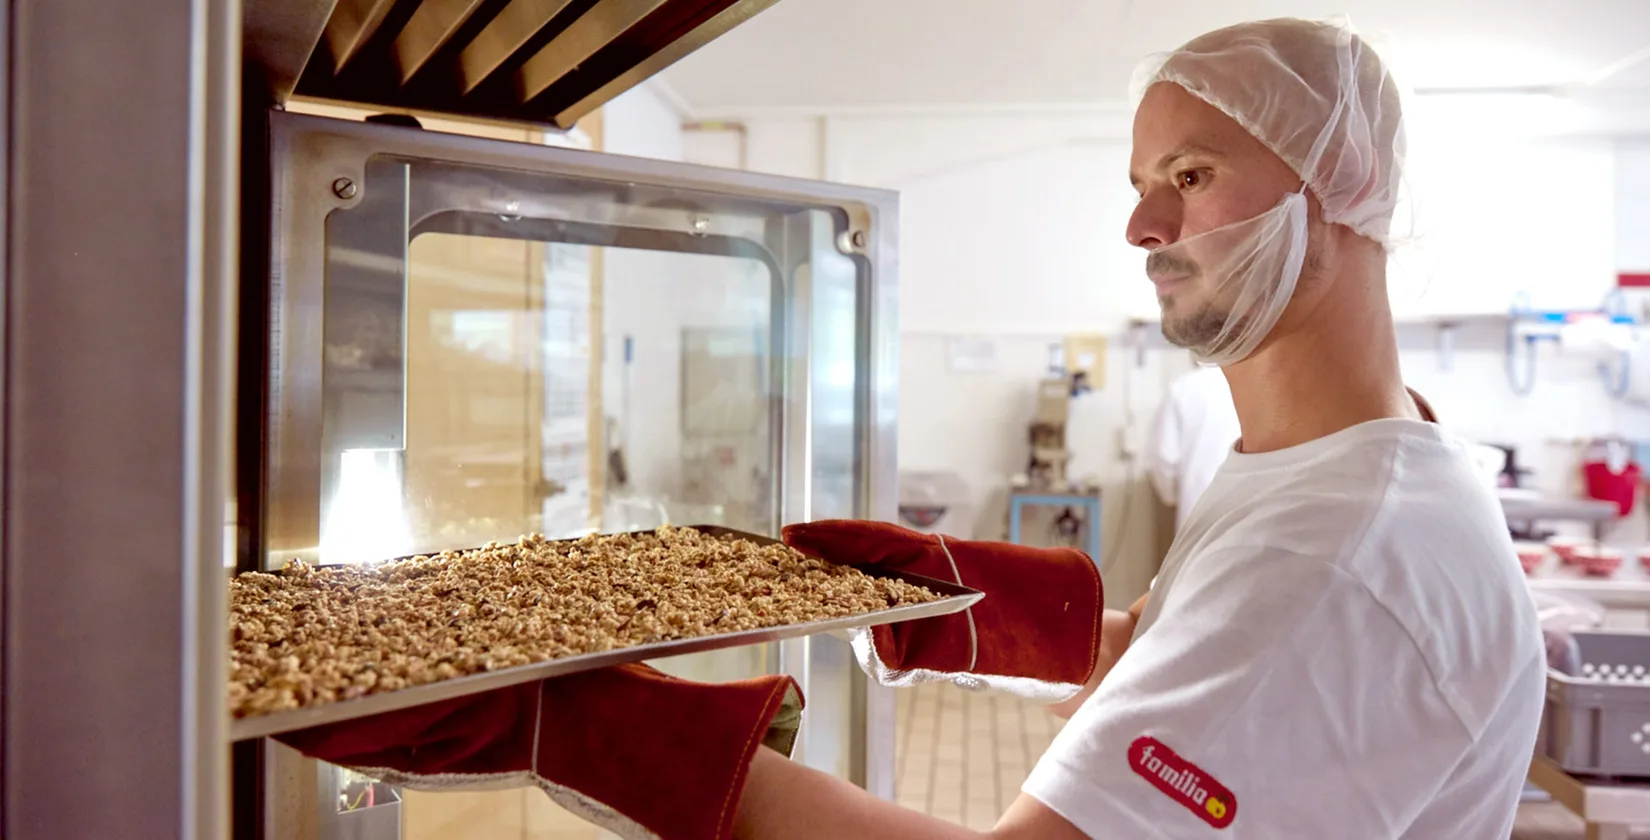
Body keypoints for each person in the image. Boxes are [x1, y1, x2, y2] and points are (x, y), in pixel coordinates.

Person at [277, 17, 1543, 840]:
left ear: (1346, 190)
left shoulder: (1342, 554)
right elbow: (1221, 671)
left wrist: (596, 732)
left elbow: (1283, 637)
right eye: (1142, 183)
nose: (1142, 228)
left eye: (1193, 175)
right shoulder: (1338, 464)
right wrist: (988, 615)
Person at [1143, 362, 1241, 531]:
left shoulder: (1184, 388)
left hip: (1197, 507)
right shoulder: (1258, 384)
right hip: (1247, 510)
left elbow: (1163, 458)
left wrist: (1172, 497)